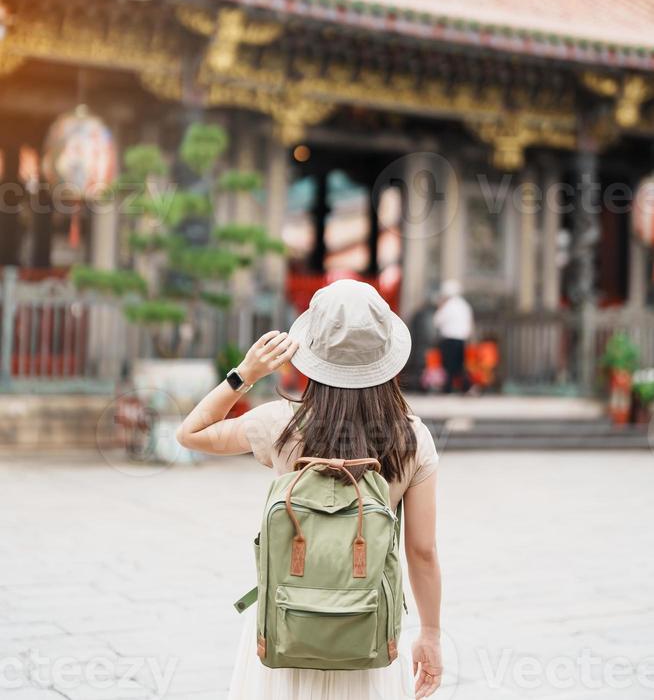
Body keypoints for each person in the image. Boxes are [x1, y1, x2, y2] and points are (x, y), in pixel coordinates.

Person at [177, 279, 443, 699]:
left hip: (286, 625)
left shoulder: (281, 423)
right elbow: (422, 552)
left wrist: (243, 375)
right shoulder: (411, 438)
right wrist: (430, 634)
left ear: (311, 351)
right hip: (368, 628)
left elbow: (191, 433)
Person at [433, 279, 474, 394]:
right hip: (461, 339)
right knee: (458, 364)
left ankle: (453, 387)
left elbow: (437, 321)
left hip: (449, 339)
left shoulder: (447, 306)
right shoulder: (465, 306)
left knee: (449, 365)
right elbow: (469, 324)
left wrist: (440, 307)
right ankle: (461, 387)